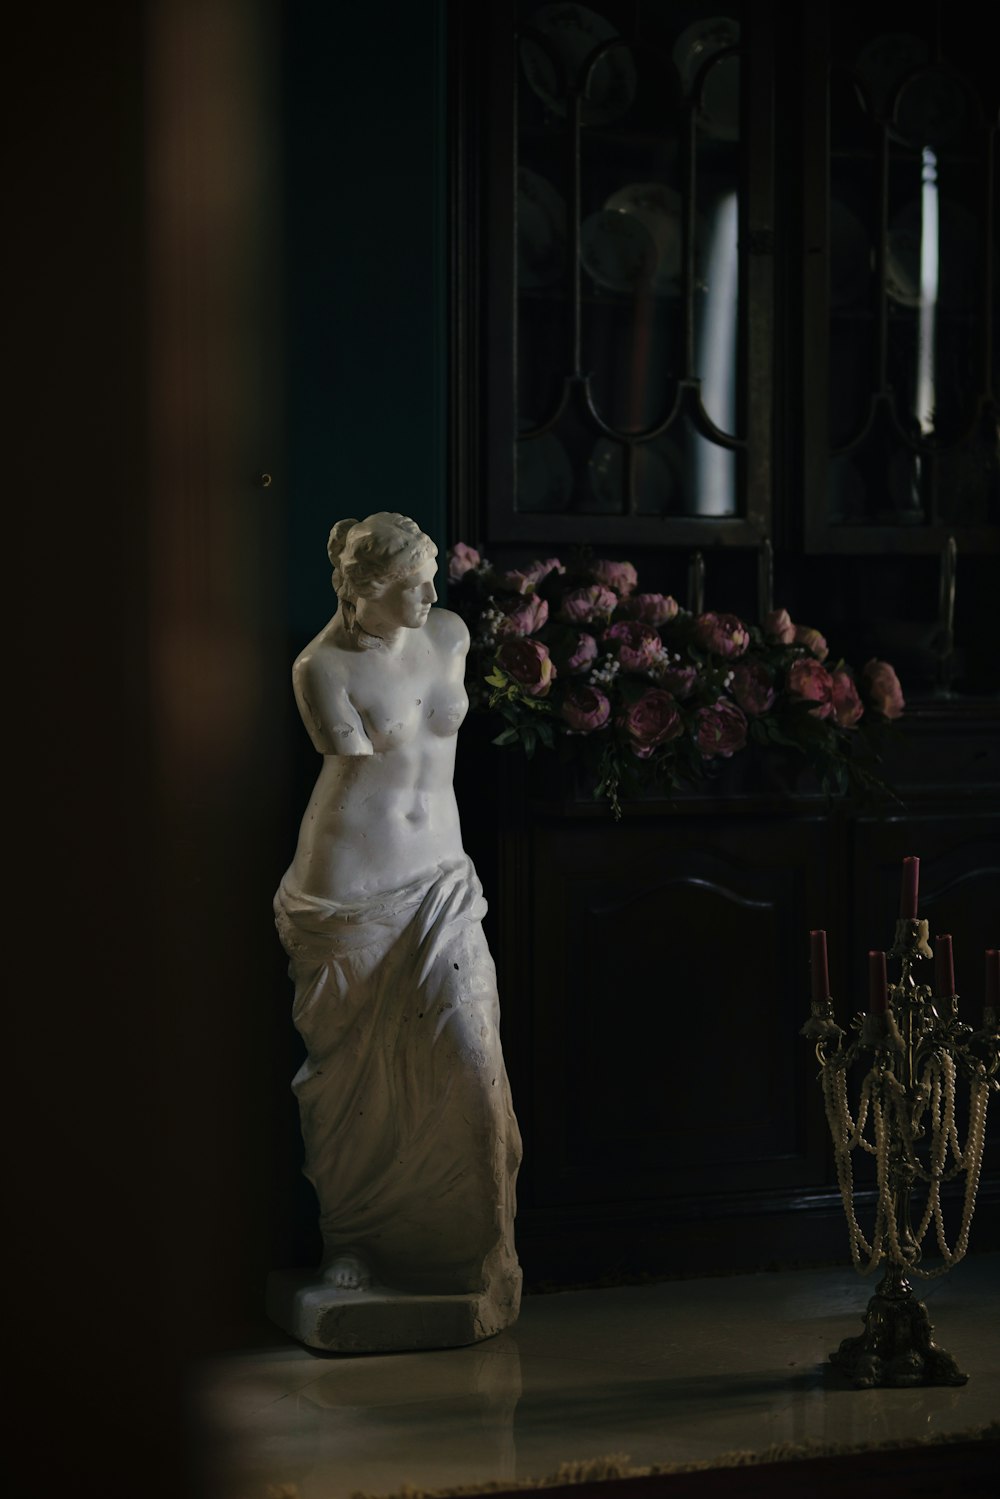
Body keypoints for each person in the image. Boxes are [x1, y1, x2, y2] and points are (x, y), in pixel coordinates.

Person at [273, 513, 522, 1336]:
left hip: (441, 878)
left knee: (468, 1046)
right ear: (359, 591)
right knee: (350, 1081)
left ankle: (470, 1252)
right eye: (406, 586)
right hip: (350, 888)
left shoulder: (448, 632)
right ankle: (355, 1240)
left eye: (429, 580)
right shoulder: (322, 668)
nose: (428, 596)